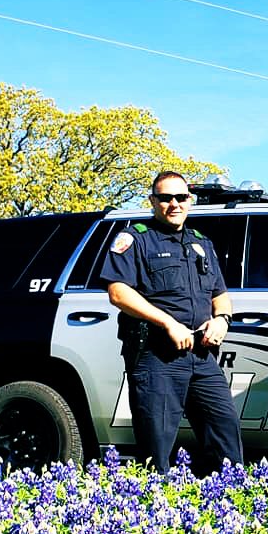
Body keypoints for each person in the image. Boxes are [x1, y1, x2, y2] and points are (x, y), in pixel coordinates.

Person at [100, 170, 243, 473]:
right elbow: (118, 292)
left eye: (181, 197)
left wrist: (222, 320)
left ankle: (227, 502)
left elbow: (220, 293)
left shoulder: (201, 242)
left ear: (190, 200)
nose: (174, 204)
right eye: (165, 198)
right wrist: (167, 323)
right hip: (157, 356)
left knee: (225, 432)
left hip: (202, 356)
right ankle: (156, 510)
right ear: (153, 200)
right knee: (157, 448)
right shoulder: (135, 238)